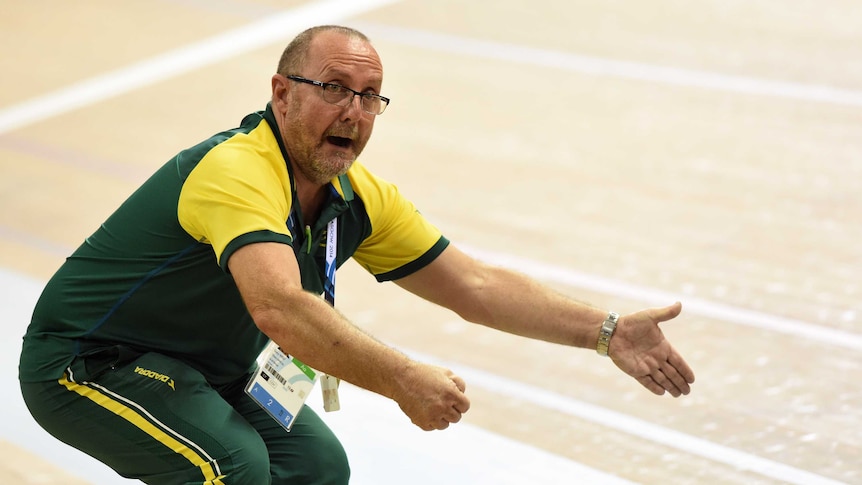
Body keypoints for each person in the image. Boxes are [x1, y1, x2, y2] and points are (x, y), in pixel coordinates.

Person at [18, 24, 695, 484]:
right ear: (281, 92)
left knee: (316, 466)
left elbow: (476, 285)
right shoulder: (235, 171)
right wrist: (401, 377)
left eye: (370, 96)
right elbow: (281, 308)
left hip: (202, 366)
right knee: (232, 469)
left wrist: (606, 332)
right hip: (89, 363)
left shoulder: (356, 193)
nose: (355, 111)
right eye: (335, 88)